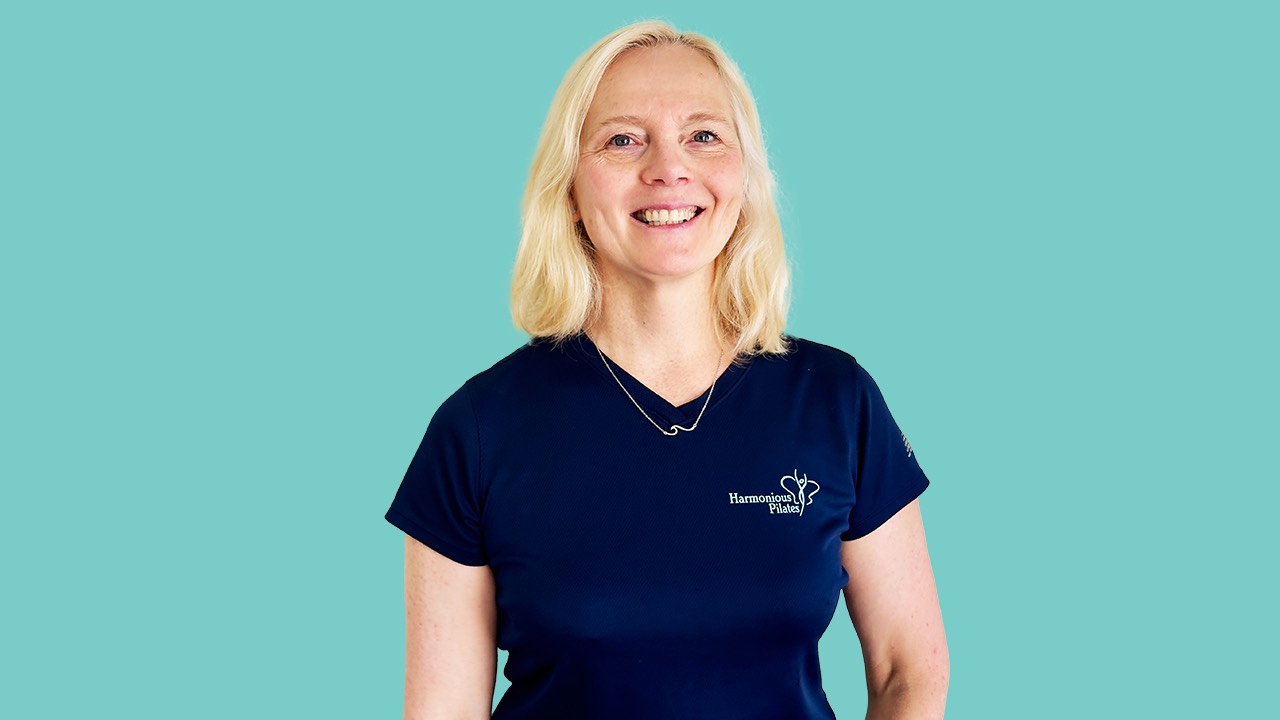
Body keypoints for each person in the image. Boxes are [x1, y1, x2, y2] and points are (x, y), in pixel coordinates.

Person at [385, 20, 948, 719]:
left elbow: (908, 672)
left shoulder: (837, 401)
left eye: (703, 135)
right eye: (623, 140)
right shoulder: (477, 430)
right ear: (569, 188)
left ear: (745, 176)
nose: (669, 169)